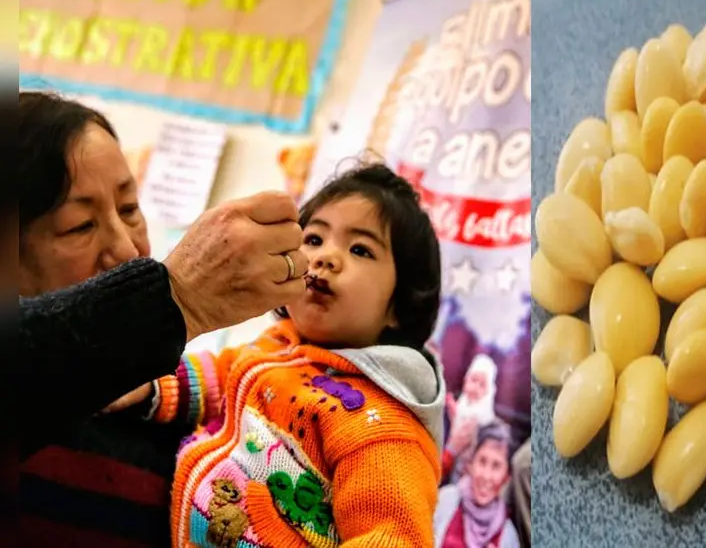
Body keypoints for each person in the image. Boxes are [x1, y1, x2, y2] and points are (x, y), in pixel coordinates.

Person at [12, 91, 308, 546]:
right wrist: (177, 297)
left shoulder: (176, 411)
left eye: (130, 209)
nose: (127, 249)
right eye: (79, 226)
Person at [150, 164, 446, 546]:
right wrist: (147, 387)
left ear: (400, 306)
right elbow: (221, 376)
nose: (326, 257)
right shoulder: (280, 344)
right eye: (315, 239)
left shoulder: (382, 429)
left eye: (360, 249)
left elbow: (393, 536)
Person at [433, 421, 519, 548]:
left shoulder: (508, 536)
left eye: (496, 466)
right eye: (482, 461)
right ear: (471, 464)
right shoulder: (445, 500)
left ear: (506, 477)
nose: (486, 476)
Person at [443, 354, 499, 482]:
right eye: (474, 380)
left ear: (489, 391)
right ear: (466, 380)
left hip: (467, 466)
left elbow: (465, 434)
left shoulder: (483, 412)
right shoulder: (460, 402)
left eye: (482, 385)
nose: (476, 388)